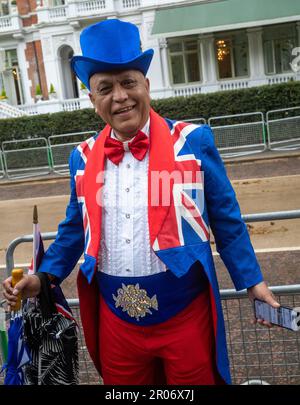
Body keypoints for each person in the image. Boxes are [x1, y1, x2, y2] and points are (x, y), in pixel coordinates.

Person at [3, 19, 280, 385]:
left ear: (146, 85)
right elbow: (74, 229)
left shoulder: (193, 142)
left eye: (128, 83)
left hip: (186, 316)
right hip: (117, 322)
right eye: (106, 88)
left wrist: (253, 281)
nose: (119, 96)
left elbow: (226, 219)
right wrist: (43, 277)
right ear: (92, 99)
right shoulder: (81, 158)